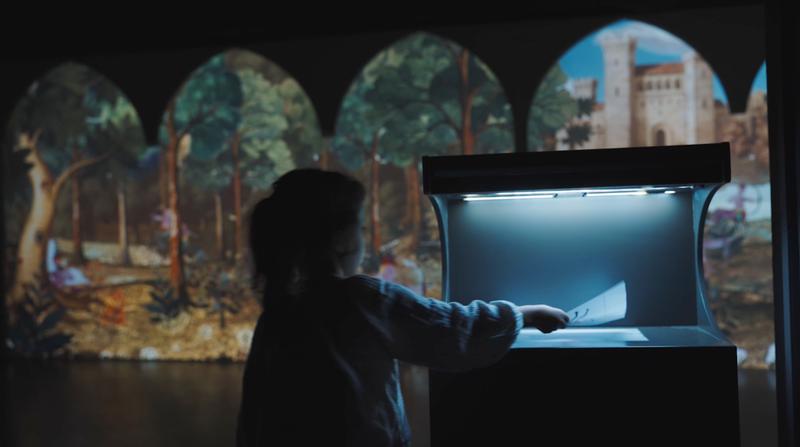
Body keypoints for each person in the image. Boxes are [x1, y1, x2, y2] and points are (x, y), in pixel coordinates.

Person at [237, 169, 569, 446]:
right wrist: (522, 314)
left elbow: (252, 416)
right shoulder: (362, 300)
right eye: (360, 226)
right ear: (342, 239)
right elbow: (451, 331)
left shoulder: (276, 315)